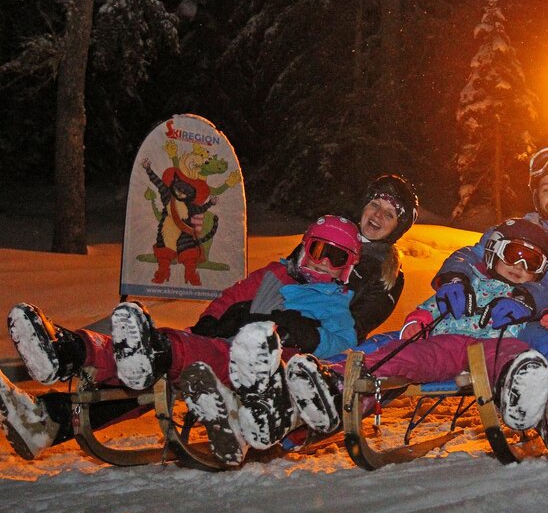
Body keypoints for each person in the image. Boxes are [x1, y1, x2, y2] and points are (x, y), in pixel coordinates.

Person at [0, 175, 420, 463]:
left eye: (390, 212)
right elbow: (246, 290)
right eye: (375, 203)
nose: (378, 215)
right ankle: (57, 395)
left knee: (168, 355)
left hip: (289, 352)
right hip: (243, 334)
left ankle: (228, 406)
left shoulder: (382, 274)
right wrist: (218, 319)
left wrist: (301, 330)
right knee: (151, 359)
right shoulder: (299, 259)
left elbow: (350, 330)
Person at [283, 217, 548, 463]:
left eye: (532, 262)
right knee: (404, 355)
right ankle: (334, 385)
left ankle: (524, 394)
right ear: (494, 250)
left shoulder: (528, 297)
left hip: (498, 345)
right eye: (516, 254)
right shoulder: (468, 282)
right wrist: (416, 323)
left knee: (517, 357)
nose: (521, 267)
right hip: (449, 341)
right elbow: (431, 307)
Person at [425, 146, 548, 461]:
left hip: (534, 328)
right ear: (536, 197)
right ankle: (338, 383)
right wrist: (455, 277)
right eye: (547, 189)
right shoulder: (509, 232)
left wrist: (530, 298)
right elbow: (471, 255)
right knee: (411, 334)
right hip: (479, 321)